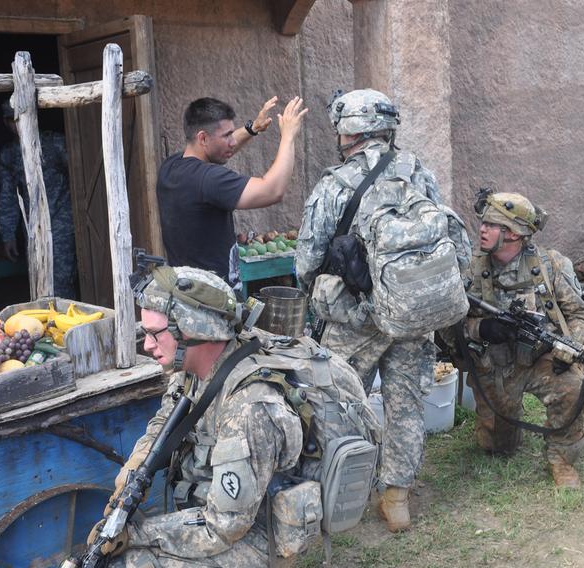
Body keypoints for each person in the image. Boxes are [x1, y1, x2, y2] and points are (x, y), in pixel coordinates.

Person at [89, 265, 376, 567]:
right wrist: (132, 471)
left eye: (154, 334)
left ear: (194, 329)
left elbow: (224, 526)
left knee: (135, 562)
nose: (147, 345)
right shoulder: (193, 372)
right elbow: (165, 422)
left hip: (258, 532)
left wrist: (138, 535)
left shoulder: (249, 409)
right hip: (228, 510)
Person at [295, 88, 468, 531]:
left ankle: (337, 495)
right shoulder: (419, 173)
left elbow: (307, 261)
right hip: (412, 313)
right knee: (406, 406)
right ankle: (397, 499)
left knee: (339, 405)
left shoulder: (335, 184)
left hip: (354, 318)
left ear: (347, 132)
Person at [454, 191, 584, 487]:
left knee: (573, 388)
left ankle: (562, 459)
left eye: (492, 225)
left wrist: (571, 348)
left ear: (514, 234)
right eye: (484, 223)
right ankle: (499, 433)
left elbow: (581, 314)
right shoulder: (469, 268)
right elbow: (447, 327)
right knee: (497, 446)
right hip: (496, 365)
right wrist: (483, 328)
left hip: (543, 358)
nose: (482, 229)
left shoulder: (549, 266)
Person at [156, 96, 307, 285]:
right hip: (213, 301)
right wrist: (288, 136)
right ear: (202, 138)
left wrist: (252, 129)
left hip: (185, 291)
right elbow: (272, 190)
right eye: (227, 135)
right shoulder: (208, 179)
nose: (232, 141)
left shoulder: (171, 167)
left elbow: (216, 150)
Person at [0, 102, 76, 298]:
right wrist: (8, 234)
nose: (16, 124)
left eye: (19, 118)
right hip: (33, 227)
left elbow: (80, 177)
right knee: (39, 278)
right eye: (11, 120)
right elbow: (8, 196)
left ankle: (69, 324)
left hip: (63, 223)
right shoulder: (8, 155)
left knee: (62, 280)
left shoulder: (55, 143)